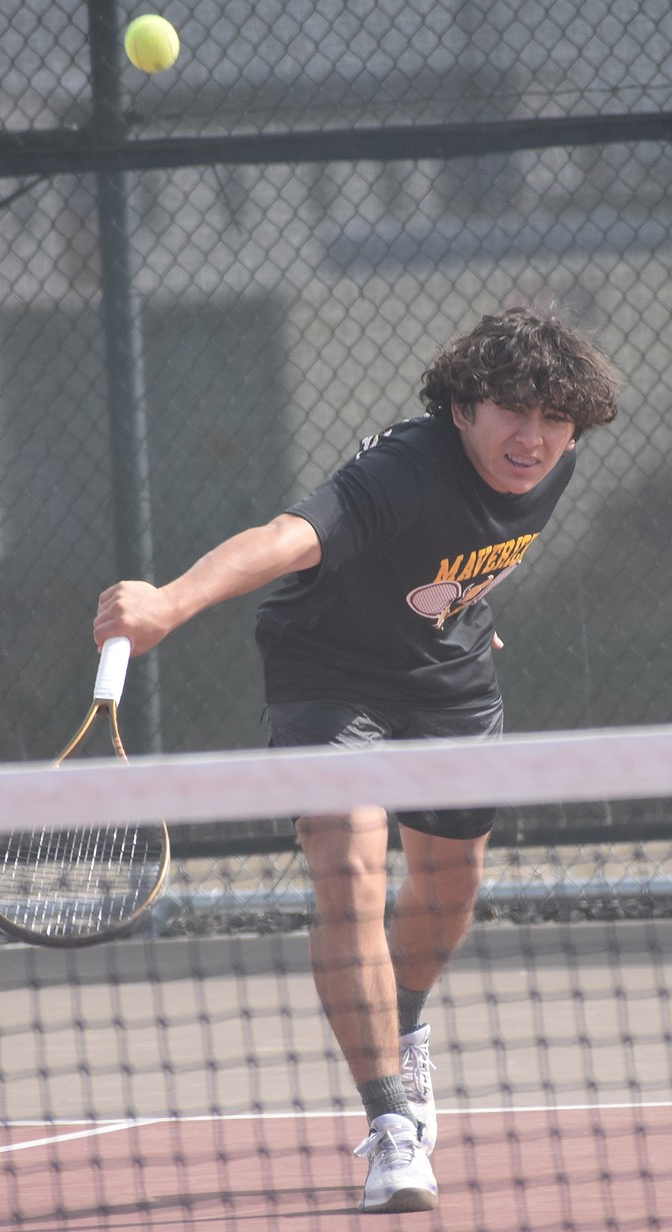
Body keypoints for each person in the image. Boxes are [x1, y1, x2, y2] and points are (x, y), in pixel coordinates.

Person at [92, 306, 620, 1213]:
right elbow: (286, 537)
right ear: (462, 408)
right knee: (349, 869)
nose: (534, 438)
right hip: (329, 677)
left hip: (448, 678)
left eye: (555, 419)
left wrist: (452, 615)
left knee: (450, 889)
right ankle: (391, 1126)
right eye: (513, 414)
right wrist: (169, 605)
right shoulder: (401, 473)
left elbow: (462, 557)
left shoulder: (554, 459)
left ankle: (405, 1021)